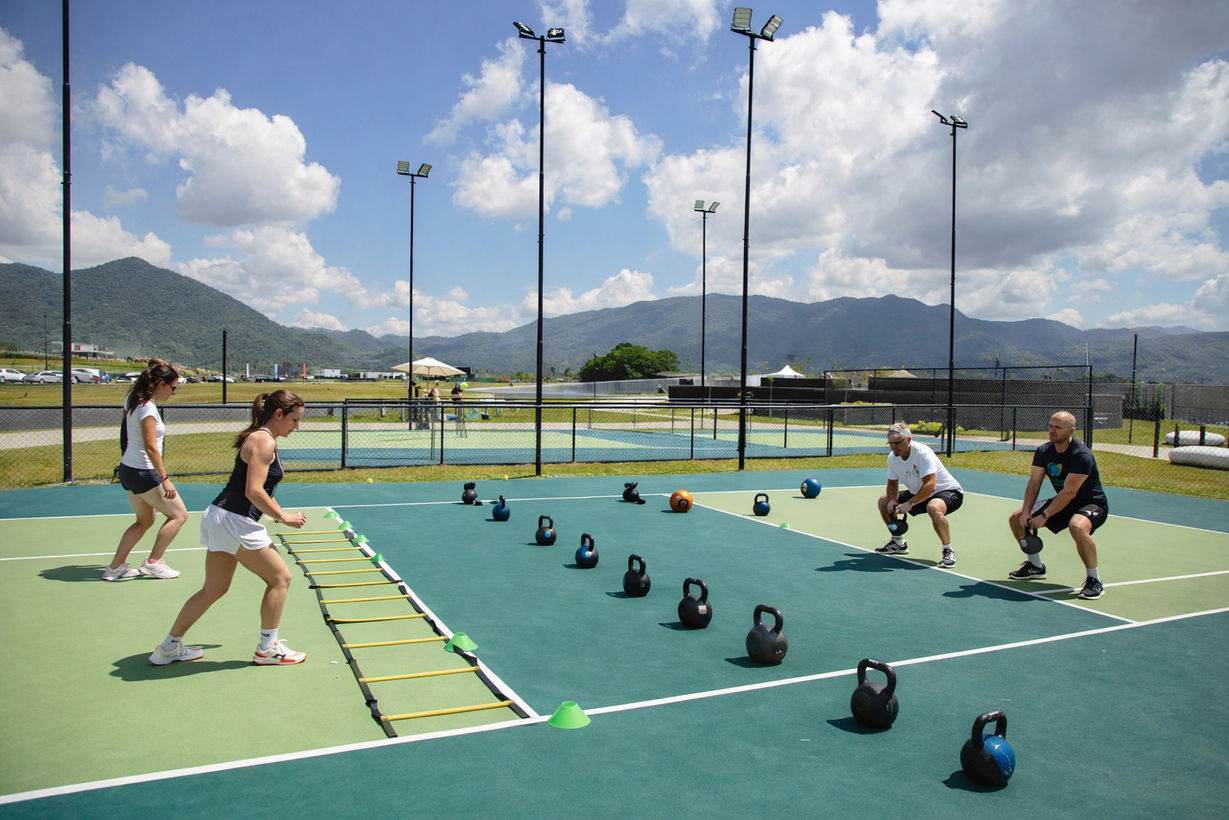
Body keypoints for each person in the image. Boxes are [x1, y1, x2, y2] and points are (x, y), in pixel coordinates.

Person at [149, 390, 309, 665]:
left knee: (214, 589)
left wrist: (277, 513)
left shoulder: (259, 437)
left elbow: (260, 489)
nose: (298, 426)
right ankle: (267, 649)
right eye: (295, 419)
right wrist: (284, 517)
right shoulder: (264, 441)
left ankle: (168, 647)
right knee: (280, 579)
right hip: (235, 519)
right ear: (278, 414)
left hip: (220, 516)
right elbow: (253, 491)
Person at [1006, 410, 1108, 600]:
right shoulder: (1044, 451)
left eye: (1058, 427)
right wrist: (1027, 512)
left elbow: (1070, 492)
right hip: (1063, 502)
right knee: (1016, 519)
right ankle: (1035, 566)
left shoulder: (1081, 455)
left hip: (1091, 503)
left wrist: (1044, 516)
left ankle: (1094, 580)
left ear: (1071, 431)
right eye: (1051, 426)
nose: (1052, 430)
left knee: (1077, 527)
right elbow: (1034, 483)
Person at [104, 359, 187, 581]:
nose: (174, 393)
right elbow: (151, 447)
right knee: (179, 515)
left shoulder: (134, 400)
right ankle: (154, 562)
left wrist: (161, 366)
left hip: (129, 470)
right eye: (173, 387)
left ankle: (115, 568)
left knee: (145, 520)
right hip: (144, 472)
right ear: (161, 384)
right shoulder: (148, 409)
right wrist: (165, 478)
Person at [876, 422, 964, 568]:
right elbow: (892, 485)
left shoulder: (923, 453)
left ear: (908, 440)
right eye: (890, 443)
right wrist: (892, 500)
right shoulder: (892, 458)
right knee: (884, 502)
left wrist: (909, 503)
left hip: (948, 491)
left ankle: (948, 550)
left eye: (897, 443)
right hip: (919, 493)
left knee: (933, 507)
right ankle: (897, 542)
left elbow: (930, 485)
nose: (893, 447)